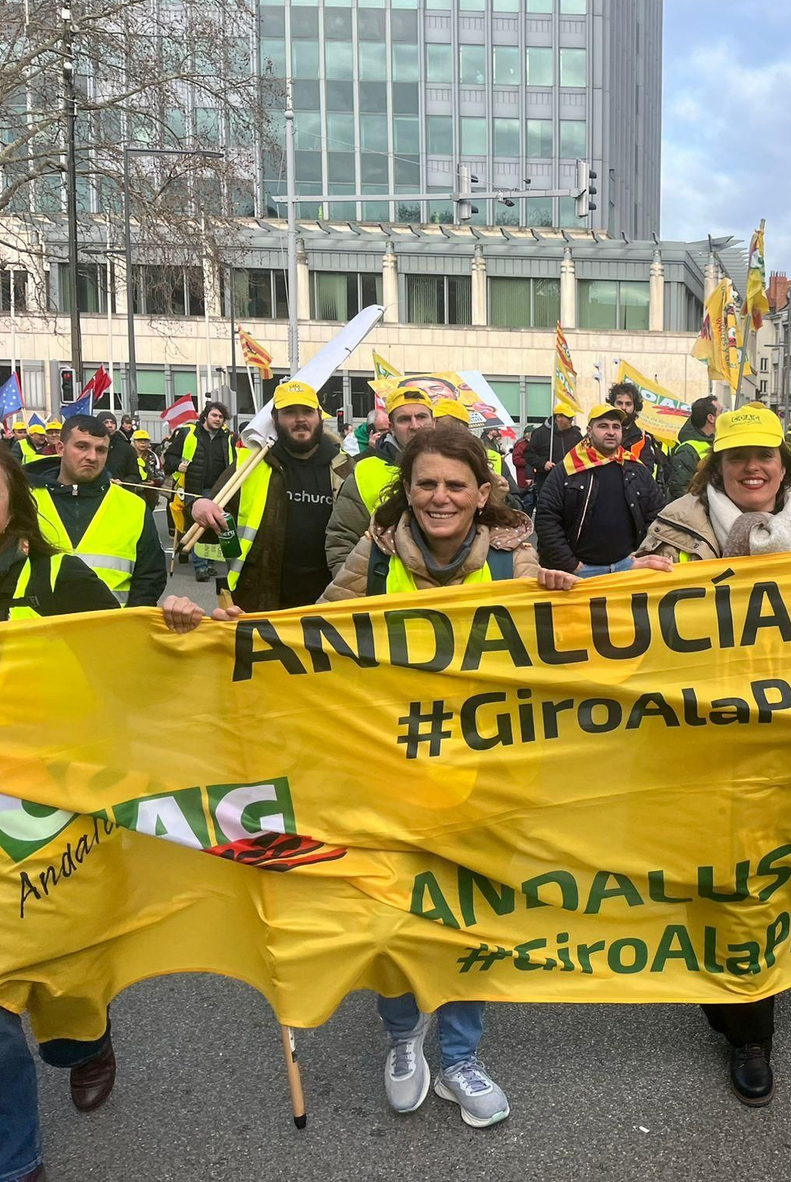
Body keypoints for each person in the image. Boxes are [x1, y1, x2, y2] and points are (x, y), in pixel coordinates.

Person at [308, 425, 570, 1127]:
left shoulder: (517, 560)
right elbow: (313, 635)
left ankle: (458, 1056)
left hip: (487, 779)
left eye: (456, 484)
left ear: (483, 493)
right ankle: (402, 1039)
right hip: (391, 774)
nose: (440, 496)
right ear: (408, 490)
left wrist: (579, 589)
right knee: (392, 920)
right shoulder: (378, 550)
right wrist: (224, 632)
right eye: (426, 483)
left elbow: (558, 647)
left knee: (467, 922)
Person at [636, 404, 791, 1106]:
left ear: (784, 464)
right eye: (738, 456)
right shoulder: (677, 525)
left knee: (773, 874)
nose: (753, 468)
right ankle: (743, 1019)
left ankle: (744, 1013)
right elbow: (636, 627)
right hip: (705, 738)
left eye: (765, 456)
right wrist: (641, 576)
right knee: (728, 877)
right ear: (717, 464)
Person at [0, 447, 181, 1182]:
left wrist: (173, 629)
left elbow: (126, 653)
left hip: (45, 807)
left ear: (14, 495)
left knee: (61, 976)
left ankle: (86, 1042)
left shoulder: (52, 577)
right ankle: (18, 1165)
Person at [185, 381, 346, 611]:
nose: (300, 419)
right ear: (274, 418)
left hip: (329, 607)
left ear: (319, 416)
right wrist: (196, 508)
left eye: (307, 411)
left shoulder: (345, 468)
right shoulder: (249, 466)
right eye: (290, 412)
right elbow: (207, 529)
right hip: (260, 603)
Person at [25, 414, 164, 606]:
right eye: (82, 446)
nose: (92, 457)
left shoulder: (133, 506)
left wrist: (130, 625)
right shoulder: (26, 500)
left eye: (101, 450)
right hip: (36, 632)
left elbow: (150, 577)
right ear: (60, 448)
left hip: (109, 631)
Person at [535, 401, 665, 576]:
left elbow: (657, 513)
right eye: (603, 426)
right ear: (589, 431)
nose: (611, 432)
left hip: (627, 567)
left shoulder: (637, 468)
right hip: (580, 572)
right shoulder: (567, 468)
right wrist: (570, 564)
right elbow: (546, 518)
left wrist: (642, 553)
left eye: (616, 427)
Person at [325, 386, 435, 574]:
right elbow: (341, 540)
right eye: (404, 419)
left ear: (434, 422)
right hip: (385, 593)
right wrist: (360, 589)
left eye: (421, 417)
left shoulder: (458, 468)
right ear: (391, 428)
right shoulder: (364, 471)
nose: (415, 426)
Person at [166, 401, 238, 581]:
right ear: (206, 415)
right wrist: (178, 466)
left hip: (221, 491)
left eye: (221, 417)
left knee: (218, 527)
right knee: (200, 525)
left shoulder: (228, 438)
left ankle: (209, 563)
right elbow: (169, 457)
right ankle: (201, 567)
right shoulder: (188, 433)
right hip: (194, 489)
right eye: (214, 415)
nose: (218, 419)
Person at [432, 398, 515, 493]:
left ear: (461, 428)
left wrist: (502, 497)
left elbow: (517, 503)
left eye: (437, 421)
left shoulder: (491, 458)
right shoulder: (421, 458)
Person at [608, 380, 667, 485]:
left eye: (628, 404)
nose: (623, 408)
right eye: (619, 403)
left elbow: (646, 472)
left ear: (635, 407)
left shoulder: (643, 438)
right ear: (612, 404)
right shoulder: (599, 433)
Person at [666, 396, 720, 500]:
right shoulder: (687, 450)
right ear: (711, 418)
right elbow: (679, 490)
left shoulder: (716, 443)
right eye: (721, 411)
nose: (724, 415)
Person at [129, 429, 164, 510]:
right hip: (131, 493)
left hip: (150, 496)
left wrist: (154, 482)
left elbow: (161, 475)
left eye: (145, 440)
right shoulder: (128, 455)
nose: (142, 443)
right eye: (139, 440)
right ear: (134, 442)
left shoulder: (153, 457)